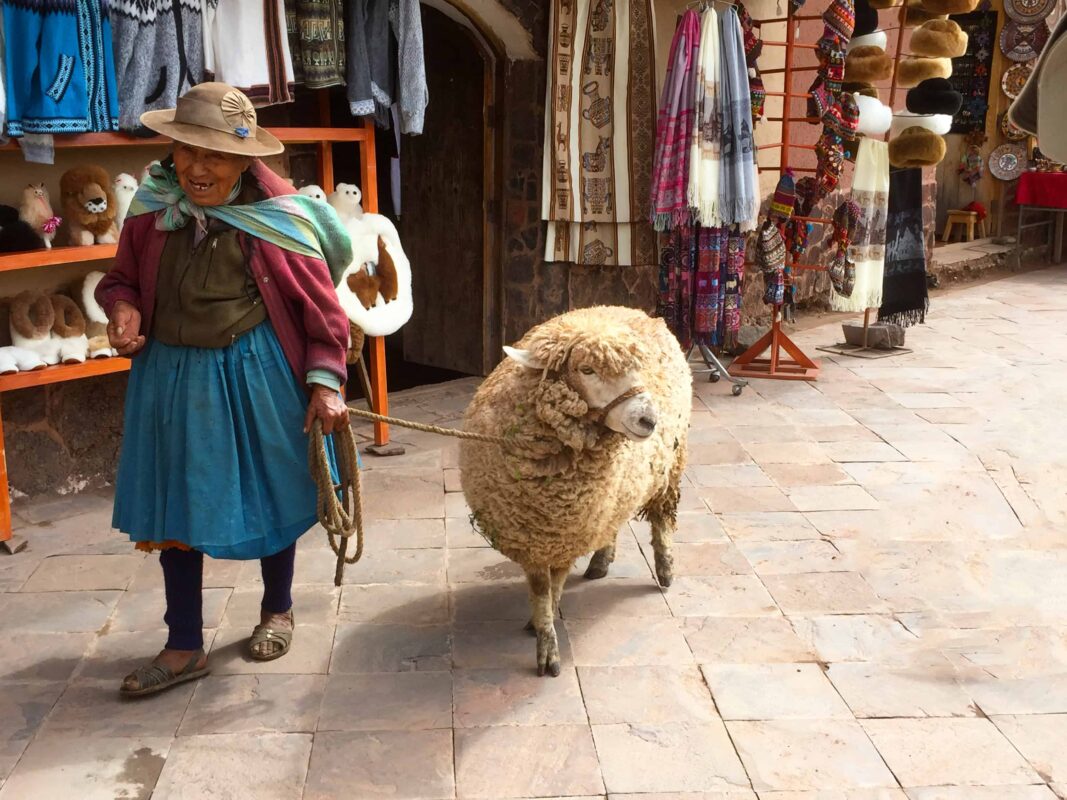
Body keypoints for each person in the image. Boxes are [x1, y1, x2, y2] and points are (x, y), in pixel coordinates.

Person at [96, 82, 353, 696]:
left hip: (254, 373)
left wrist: (325, 382)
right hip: (169, 378)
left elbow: (323, 312)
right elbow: (120, 278)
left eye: (215, 155)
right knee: (176, 507)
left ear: (245, 161)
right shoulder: (154, 204)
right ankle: (184, 643)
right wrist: (123, 307)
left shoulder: (278, 218)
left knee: (273, 492)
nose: (198, 168)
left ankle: (277, 610)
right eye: (188, 151)